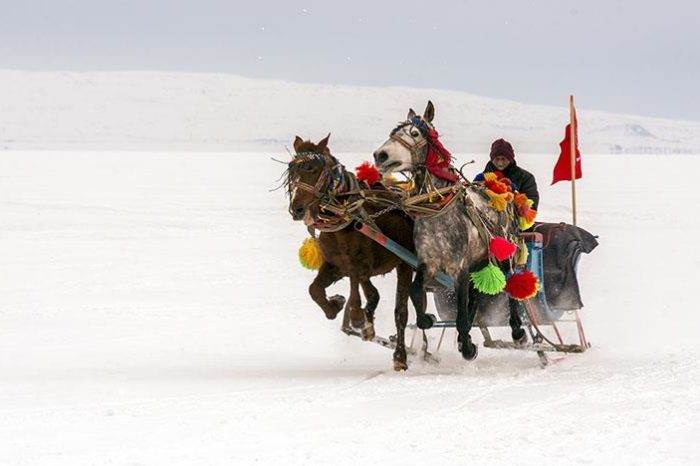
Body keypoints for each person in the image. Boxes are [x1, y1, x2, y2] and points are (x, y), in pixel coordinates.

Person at [479, 138, 539, 211]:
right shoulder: (482, 178)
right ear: (492, 159)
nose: (500, 163)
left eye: (503, 159)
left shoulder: (526, 178)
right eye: (497, 159)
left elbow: (532, 206)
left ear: (510, 159)